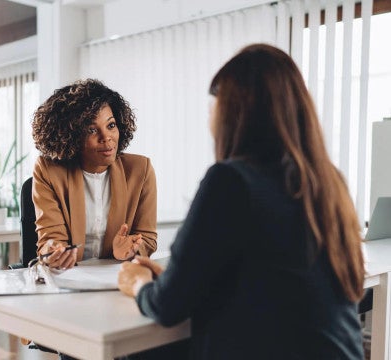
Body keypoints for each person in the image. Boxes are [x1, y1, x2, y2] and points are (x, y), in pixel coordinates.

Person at [118, 44, 365, 359]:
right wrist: (173, 279)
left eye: (215, 100)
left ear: (236, 109)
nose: (210, 112)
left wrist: (138, 284)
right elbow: (266, 282)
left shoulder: (231, 181)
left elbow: (167, 306)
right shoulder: (329, 181)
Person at [31, 78, 157, 269]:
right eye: (91, 129)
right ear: (70, 136)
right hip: (69, 278)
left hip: (115, 279)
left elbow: (147, 238)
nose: (106, 137)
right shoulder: (48, 170)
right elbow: (50, 238)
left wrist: (131, 249)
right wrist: (54, 250)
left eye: (111, 125)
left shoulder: (140, 170)